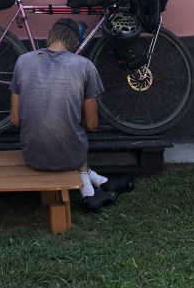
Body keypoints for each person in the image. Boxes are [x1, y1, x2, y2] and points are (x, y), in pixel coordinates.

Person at [10, 17, 133, 211]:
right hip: (70, 156)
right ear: (75, 42)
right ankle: (90, 195)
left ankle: (102, 183)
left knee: (67, 131)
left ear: (51, 36)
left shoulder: (23, 61)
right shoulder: (84, 65)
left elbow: (15, 120)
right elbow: (92, 124)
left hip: (32, 156)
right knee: (73, 133)